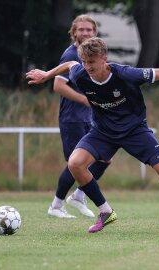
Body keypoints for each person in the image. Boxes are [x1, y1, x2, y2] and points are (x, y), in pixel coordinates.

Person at [26, 37, 159, 233]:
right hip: (102, 132)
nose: (87, 66)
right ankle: (105, 212)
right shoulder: (80, 74)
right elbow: (70, 65)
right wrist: (46, 75)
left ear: (104, 58)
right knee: (75, 163)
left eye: (91, 62)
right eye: (84, 62)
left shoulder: (125, 74)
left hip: (135, 130)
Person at [47, 15, 110, 219]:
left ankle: (79, 195)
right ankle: (56, 205)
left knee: (104, 158)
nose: (85, 33)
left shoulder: (91, 54)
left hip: (90, 118)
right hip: (72, 118)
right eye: (81, 30)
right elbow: (58, 86)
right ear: (74, 32)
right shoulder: (71, 55)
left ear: (95, 33)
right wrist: (84, 100)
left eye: (89, 30)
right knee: (75, 164)